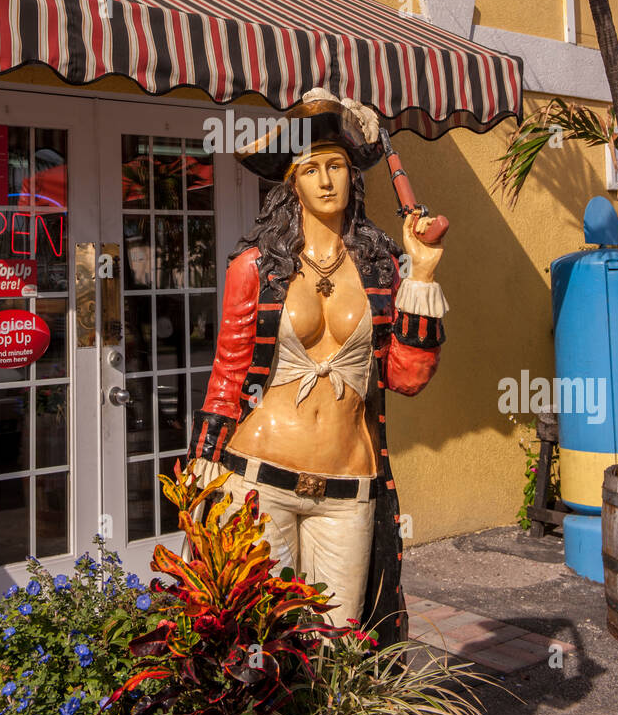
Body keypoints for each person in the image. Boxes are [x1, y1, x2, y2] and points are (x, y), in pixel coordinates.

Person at [187, 88, 448, 643]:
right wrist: (204, 459)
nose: (326, 180)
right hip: (256, 474)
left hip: (348, 484)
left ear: (354, 176)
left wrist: (421, 276)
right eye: (311, 169)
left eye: (336, 165)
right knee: (256, 639)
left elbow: (404, 377)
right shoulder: (254, 266)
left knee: (337, 639)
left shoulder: (383, 266)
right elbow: (229, 372)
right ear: (293, 183)